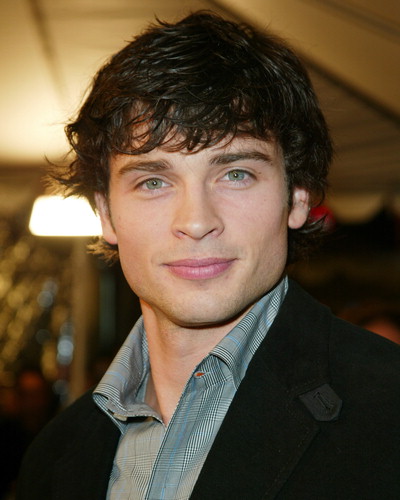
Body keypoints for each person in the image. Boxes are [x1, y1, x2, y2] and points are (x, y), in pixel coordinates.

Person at [17, 11, 400, 500]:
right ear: (106, 214)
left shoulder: (388, 411)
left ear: (298, 197)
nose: (196, 221)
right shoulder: (54, 456)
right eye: (153, 181)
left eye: (236, 174)